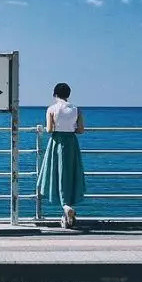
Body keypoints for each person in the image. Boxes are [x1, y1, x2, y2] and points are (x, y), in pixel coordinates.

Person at [36, 82, 86, 227]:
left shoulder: (52, 109)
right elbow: (81, 130)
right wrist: (71, 129)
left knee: (56, 175)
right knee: (70, 175)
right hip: (71, 143)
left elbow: (50, 129)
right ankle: (67, 207)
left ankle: (65, 207)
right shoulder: (76, 109)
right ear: (68, 94)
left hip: (57, 143)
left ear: (55, 94)